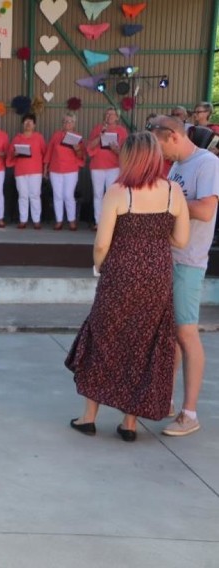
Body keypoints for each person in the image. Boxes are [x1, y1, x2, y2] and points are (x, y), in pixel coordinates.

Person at [65, 132, 190, 442]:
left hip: (120, 275)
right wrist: (157, 243)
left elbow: (101, 243)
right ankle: (129, 423)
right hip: (158, 275)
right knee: (143, 343)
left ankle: (89, 417)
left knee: (104, 338)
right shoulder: (174, 191)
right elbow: (181, 239)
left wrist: (100, 265)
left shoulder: (119, 191)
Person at [149, 115, 219, 436]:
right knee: (174, 334)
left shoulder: (206, 164)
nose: (160, 155)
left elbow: (205, 210)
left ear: (173, 136)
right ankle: (167, 400)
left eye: (161, 146)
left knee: (187, 334)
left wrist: (171, 199)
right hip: (171, 257)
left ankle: (190, 413)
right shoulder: (177, 167)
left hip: (189, 261)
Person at [87, 107, 128, 229]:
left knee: (112, 194)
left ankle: (112, 222)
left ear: (117, 117)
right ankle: (98, 221)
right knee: (98, 194)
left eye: (112, 114)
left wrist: (117, 150)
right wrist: (100, 136)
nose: (109, 116)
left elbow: (126, 151)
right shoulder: (98, 129)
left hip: (114, 167)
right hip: (97, 166)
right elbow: (89, 146)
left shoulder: (122, 131)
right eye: (107, 114)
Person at [44, 111, 86, 230]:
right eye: (65, 121)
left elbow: (81, 155)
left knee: (68, 195)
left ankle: (71, 220)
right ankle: (59, 220)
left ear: (74, 124)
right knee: (57, 196)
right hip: (55, 170)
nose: (67, 123)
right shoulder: (56, 135)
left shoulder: (78, 137)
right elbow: (49, 152)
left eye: (69, 121)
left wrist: (77, 149)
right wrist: (45, 169)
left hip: (71, 170)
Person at [8, 113, 47, 229]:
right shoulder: (17, 138)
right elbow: (10, 155)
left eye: (30, 122)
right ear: (22, 124)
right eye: (26, 122)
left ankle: (36, 220)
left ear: (34, 125)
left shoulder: (39, 137)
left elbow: (45, 154)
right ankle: (23, 220)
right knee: (23, 195)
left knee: (35, 195)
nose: (28, 124)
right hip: (20, 171)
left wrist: (45, 169)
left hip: (35, 171)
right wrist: (14, 154)